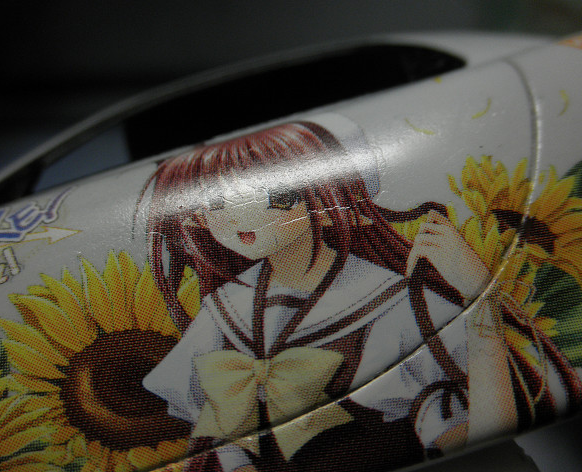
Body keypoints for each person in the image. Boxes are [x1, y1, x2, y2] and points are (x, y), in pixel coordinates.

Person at [141, 114, 517, 472]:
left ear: (326, 199)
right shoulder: (225, 311)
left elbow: (480, 437)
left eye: (272, 192)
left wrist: (479, 295)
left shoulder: (392, 304)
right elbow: (221, 441)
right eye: (214, 200)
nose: (237, 215)